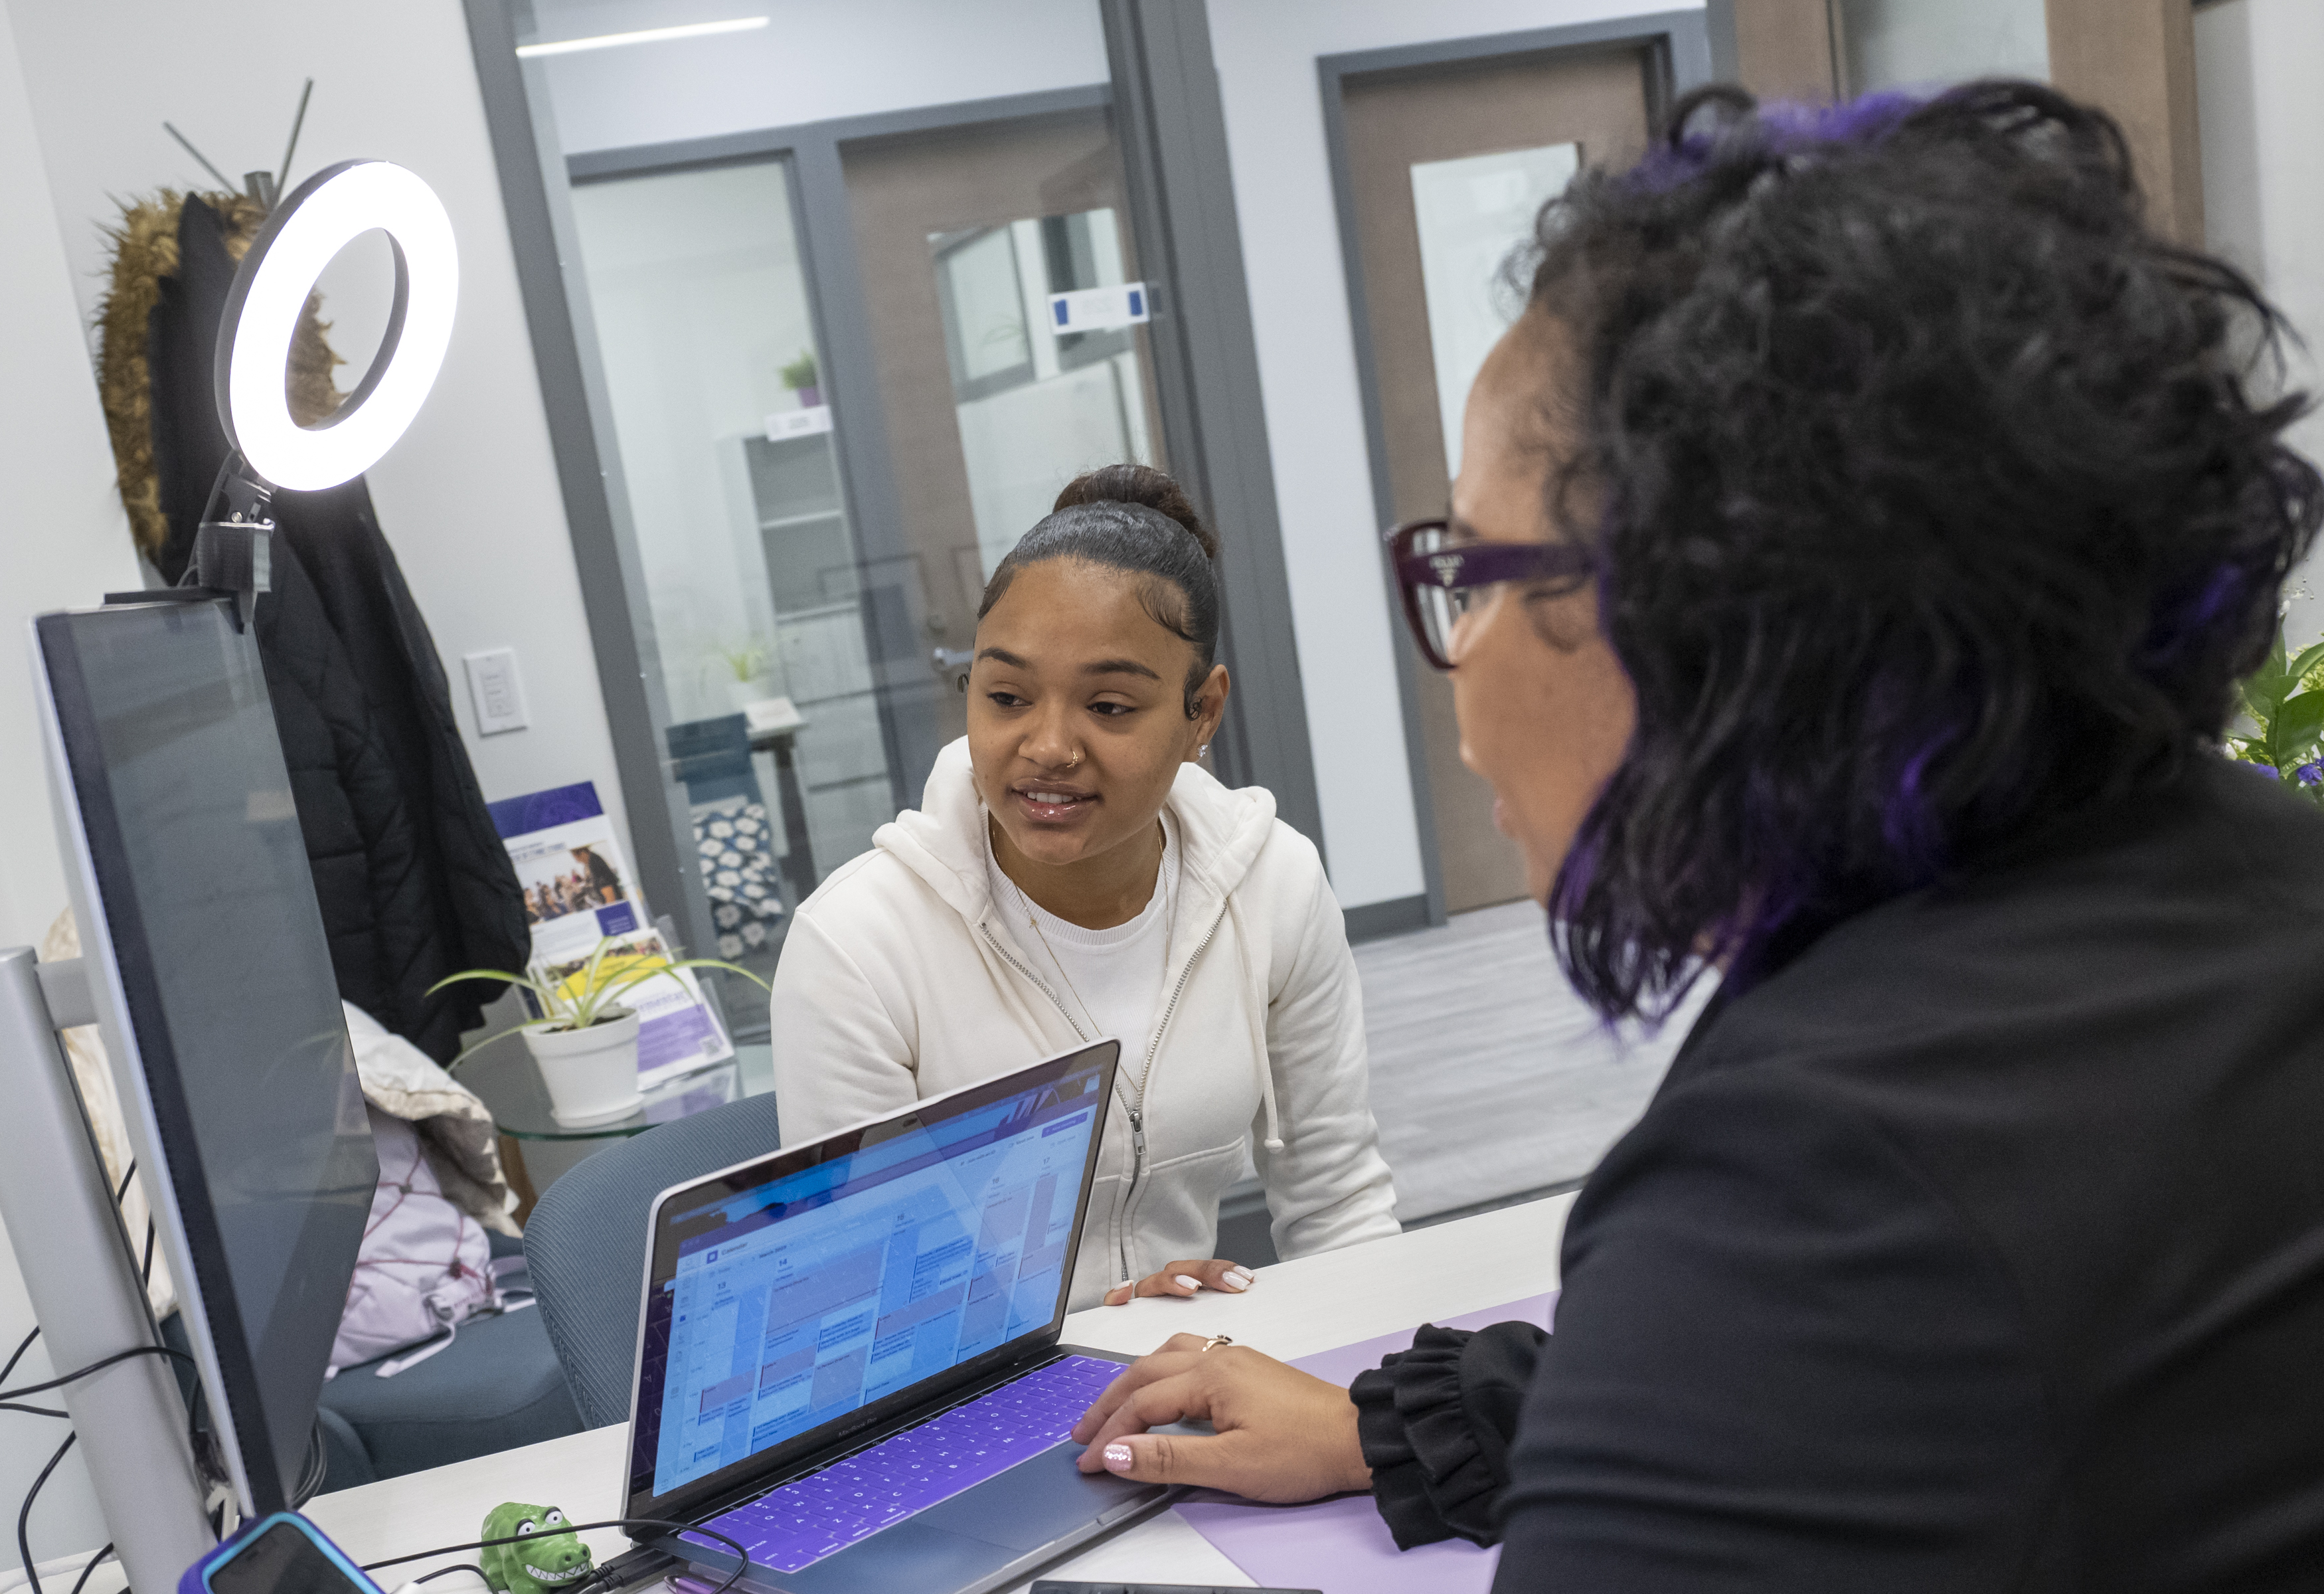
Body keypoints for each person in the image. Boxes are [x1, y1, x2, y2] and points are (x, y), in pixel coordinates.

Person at [1067, 82, 2324, 1587]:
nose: (1458, 658)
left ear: (1707, 600)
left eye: (1472, 564)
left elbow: (1849, 1336)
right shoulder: (2261, 896)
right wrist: (1416, 1424)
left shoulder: (1815, 1178)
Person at [770, 464, 1399, 1311]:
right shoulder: (858, 944)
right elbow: (867, 1307)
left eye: (1108, 706)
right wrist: (1097, 1335)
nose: (1048, 746)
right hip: (981, 1412)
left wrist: (1368, 1407)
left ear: (1201, 712)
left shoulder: (1273, 885)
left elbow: (1338, 1204)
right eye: (1006, 696)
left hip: (1191, 1367)